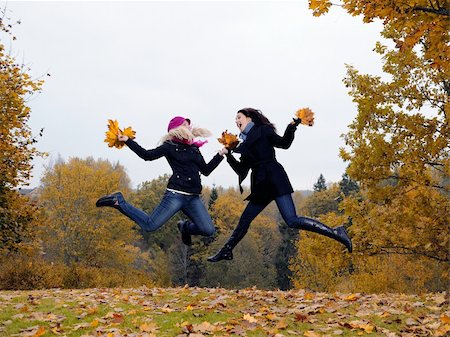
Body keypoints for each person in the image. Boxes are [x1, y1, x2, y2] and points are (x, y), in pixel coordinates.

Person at [207, 108, 352, 262]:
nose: (236, 121)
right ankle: (226, 250)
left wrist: (292, 127)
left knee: (292, 220)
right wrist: (229, 154)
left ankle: (336, 233)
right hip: (261, 185)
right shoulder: (244, 143)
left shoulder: (263, 130)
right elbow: (241, 169)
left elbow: (284, 143)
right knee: (245, 219)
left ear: (250, 118)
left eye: (239, 117)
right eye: (235, 119)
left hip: (274, 178)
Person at [96, 116, 228, 246]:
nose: (189, 127)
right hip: (175, 196)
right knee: (149, 225)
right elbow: (146, 155)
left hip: (193, 198)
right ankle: (119, 201)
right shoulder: (169, 146)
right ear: (177, 129)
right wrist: (128, 140)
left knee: (208, 230)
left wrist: (220, 155)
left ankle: (185, 228)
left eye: (189, 125)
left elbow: (205, 170)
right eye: (185, 125)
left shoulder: (194, 149)